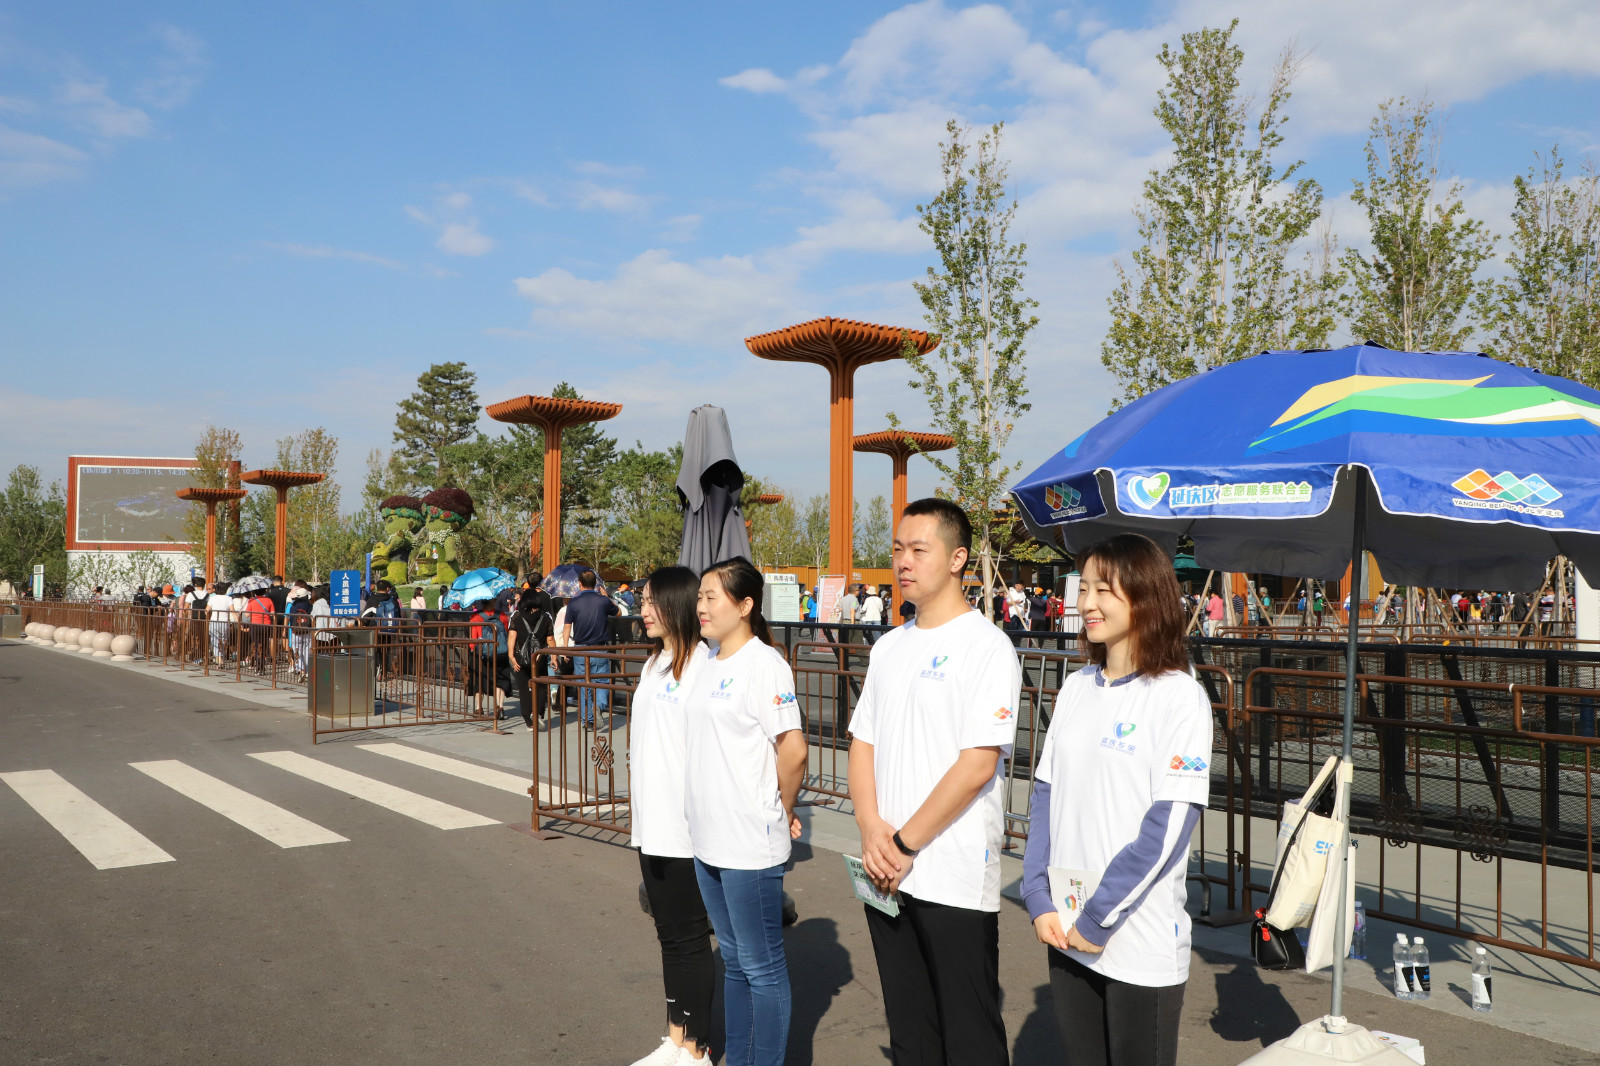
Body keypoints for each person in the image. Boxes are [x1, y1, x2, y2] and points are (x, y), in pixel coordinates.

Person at [1021, 533, 1212, 1066]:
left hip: (1137, 943)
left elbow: (1168, 826)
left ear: (1146, 597)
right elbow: (1045, 796)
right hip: (1065, 927)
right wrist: (1037, 895)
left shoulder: (1179, 695)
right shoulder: (1076, 686)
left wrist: (1098, 917)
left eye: (1103, 590)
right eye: (1083, 588)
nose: (1087, 603)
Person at [848, 498, 1022, 1066]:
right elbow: (863, 743)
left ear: (957, 559)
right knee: (910, 1031)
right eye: (898, 549)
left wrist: (903, 843)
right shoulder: (888, 646)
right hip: (885, 870)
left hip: (951, 873)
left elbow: (977, 765)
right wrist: (871, 828)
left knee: (970, 1036)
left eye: (919, 550)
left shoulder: (986, 646)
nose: (903, 561)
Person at [684, 557, 807, 1066]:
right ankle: (739, 1058)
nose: (701, 606)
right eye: (700, 596)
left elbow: (793, 750)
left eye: (712, 597)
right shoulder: (708, 658)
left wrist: (782, 806)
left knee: (761, 967)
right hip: (707, 839)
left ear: (745, 605)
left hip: (748, 842)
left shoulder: (765, 664)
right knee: (734, 963)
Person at [629, 566, 714, 1066]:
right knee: (668, 937)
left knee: (690, 939)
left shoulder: (703, 666)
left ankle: (697, 1047)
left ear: (677, 604)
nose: (642, 611)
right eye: (641, 601)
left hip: (685, 831)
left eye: (651, 601)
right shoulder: (654, 664)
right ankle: (676, 1038)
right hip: (650, 824)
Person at [564, 569, 619, 729]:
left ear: (579, 583)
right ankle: (599, 706)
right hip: (600, 647)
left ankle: (587, 720)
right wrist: (607, 597)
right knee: (602, 681)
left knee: (583, 684)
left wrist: (566, 648)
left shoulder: (573, 603)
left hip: (580, 649)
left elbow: (567, 626)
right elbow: (619, 613)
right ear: (596, 584)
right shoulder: (603, 601)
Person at [508, 587, 553, 729]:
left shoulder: (516, 616)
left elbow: (512, 637)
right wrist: (554, 657)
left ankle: (528, 721)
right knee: (541, 687)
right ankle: (538, 713)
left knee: (523, 689)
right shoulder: (545, 617)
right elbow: (550, 639)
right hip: (539, 659)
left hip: (520, 659)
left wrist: (511, 656)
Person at [468, 597, 512, 719]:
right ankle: (500, 707)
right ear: (493, 601)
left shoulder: (475, 616)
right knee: (500, 680)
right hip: (500, 652)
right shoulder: (501, 615)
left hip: (482, 653)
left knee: (479, 680)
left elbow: (473, 638)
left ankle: (479, 708)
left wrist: (472, 649)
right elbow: (506, 632)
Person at [287, 582, 313, 679]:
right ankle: (307, 670)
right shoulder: (309, 606)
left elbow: (290, 619)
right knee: (307, 651)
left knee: (297, 651)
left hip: (296, 632)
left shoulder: (293, 606)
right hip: (307, 631)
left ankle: (300, 669)